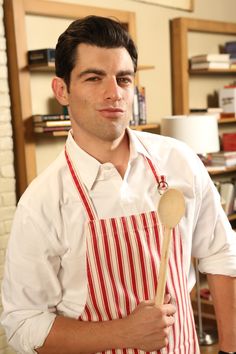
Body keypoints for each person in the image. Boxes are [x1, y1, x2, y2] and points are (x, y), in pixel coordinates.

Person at [1, 15, 236, 354]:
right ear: (62, 90)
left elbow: (221, 254)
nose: (113, 93)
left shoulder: (178, 161)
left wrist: (229, 348)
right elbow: (23, 323)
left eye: (123, 79)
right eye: (94, 78)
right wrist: (122, 333)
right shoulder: (41, 202)